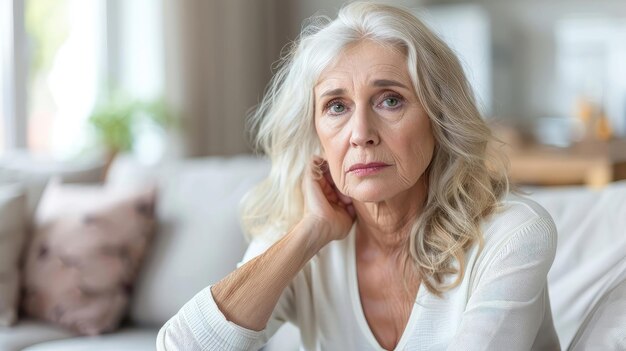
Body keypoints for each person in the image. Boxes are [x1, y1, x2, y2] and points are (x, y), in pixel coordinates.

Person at [156, 2, 560, 350]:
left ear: (439, 120)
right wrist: (311, 232)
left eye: (390, 100)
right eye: (336, 106)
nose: (361, 133)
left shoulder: (514, 234)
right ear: (315, 133)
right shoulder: (301, 236)